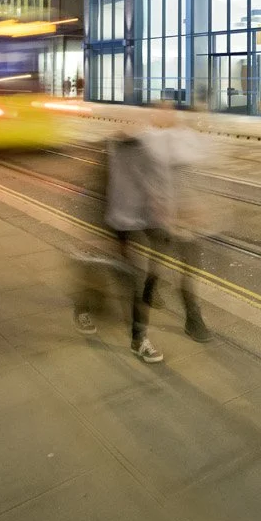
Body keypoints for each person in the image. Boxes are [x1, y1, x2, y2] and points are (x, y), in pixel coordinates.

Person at [73, 130, 165, 362]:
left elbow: (153, 187)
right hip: (109, 224)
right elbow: (92, 193)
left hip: (134, 223)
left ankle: (138, 339)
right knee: (103, 275)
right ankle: (82, 309)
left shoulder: (148, 149)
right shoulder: (108, 149)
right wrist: (96, 233)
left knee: (132, 279)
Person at [141, 105, 211, 342]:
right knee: (157, 262)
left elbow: (199, 162)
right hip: (161, 216)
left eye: (171, 110)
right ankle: (148, 292)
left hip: (187, 216)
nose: (169, 114)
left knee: (190, 269)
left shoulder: (184, 137)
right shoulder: (151, 139)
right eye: (163, 110)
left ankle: (193, 318)